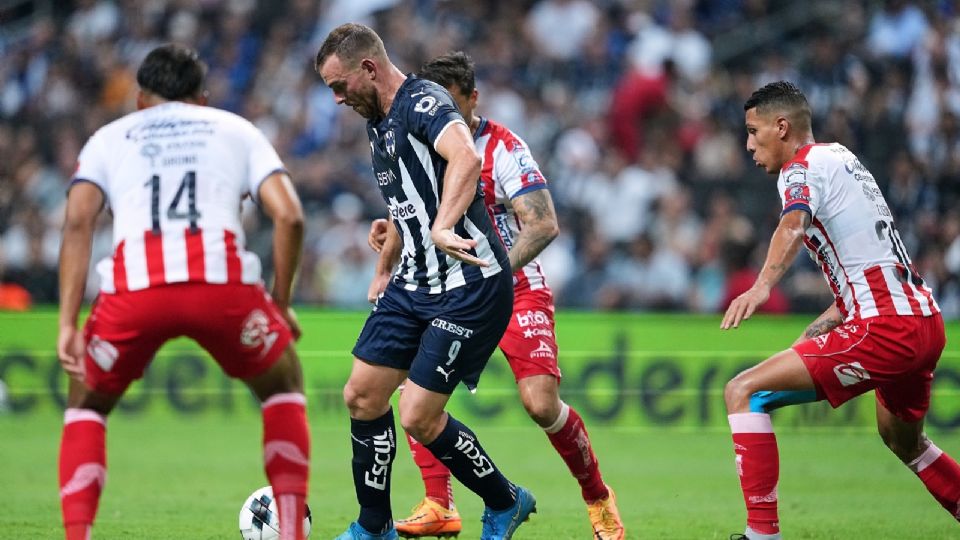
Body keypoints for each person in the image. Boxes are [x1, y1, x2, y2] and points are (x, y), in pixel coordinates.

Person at [366, 51, 625, 540]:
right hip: (437, 284)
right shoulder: (420, 136)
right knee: (409, 386)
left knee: (540, 404)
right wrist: (386, 259)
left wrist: (491, 275)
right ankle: (438, 503)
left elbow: (543, 223)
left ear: (473, 98)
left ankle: (597, 496)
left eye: (452, 102)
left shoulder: (502, 146)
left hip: (509, 283)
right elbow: (408, 212)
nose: (440, 111)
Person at [57, 44, 310, 540]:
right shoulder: (236, 129)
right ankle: (290, 532)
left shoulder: (109, 138)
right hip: (224, 291)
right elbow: (290, 215)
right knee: (283, 388)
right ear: (203, 98)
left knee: (86, 405)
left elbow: (77, 220)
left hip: (135, 293)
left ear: (139, 101)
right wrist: (279, 303)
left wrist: (67, 322)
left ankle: (76, 534)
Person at [314, 24, 535, 540]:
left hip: (468, 284)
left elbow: (466, 157)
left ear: (368, 68)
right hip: (413, 281)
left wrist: (440, 226)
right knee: (361, 396)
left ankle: (505, 501)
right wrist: (390, 245)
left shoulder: (424, 100)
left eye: (338, 85)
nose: (337, 98)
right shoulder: (376, 116)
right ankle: (374, 528)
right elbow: (414, 195)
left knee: (417, 414)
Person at [721, 81, 957, 540]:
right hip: (924, 320)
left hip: (886, 328)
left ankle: (761, 535)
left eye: (753, 131)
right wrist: (824, 324)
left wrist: (762, 286)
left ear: (781, 126)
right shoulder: (842, 158)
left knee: (744, 392)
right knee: (903, 439)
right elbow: (868, 264)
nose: (749, 145)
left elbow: (793, 225)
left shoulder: (799, 169)